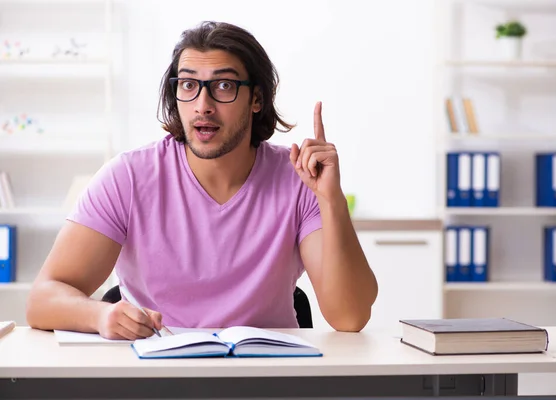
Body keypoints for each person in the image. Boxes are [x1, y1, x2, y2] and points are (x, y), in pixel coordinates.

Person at [26, 21, 378, 340]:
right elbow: (42, 299)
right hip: (155, 375)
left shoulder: (298, 178)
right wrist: (99, 315)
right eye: (189, 85)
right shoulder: (128, 177)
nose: (203, 105)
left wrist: (331, 199)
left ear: (256, 99)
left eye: (224, 86)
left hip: (265, 377)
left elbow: (350, 317)